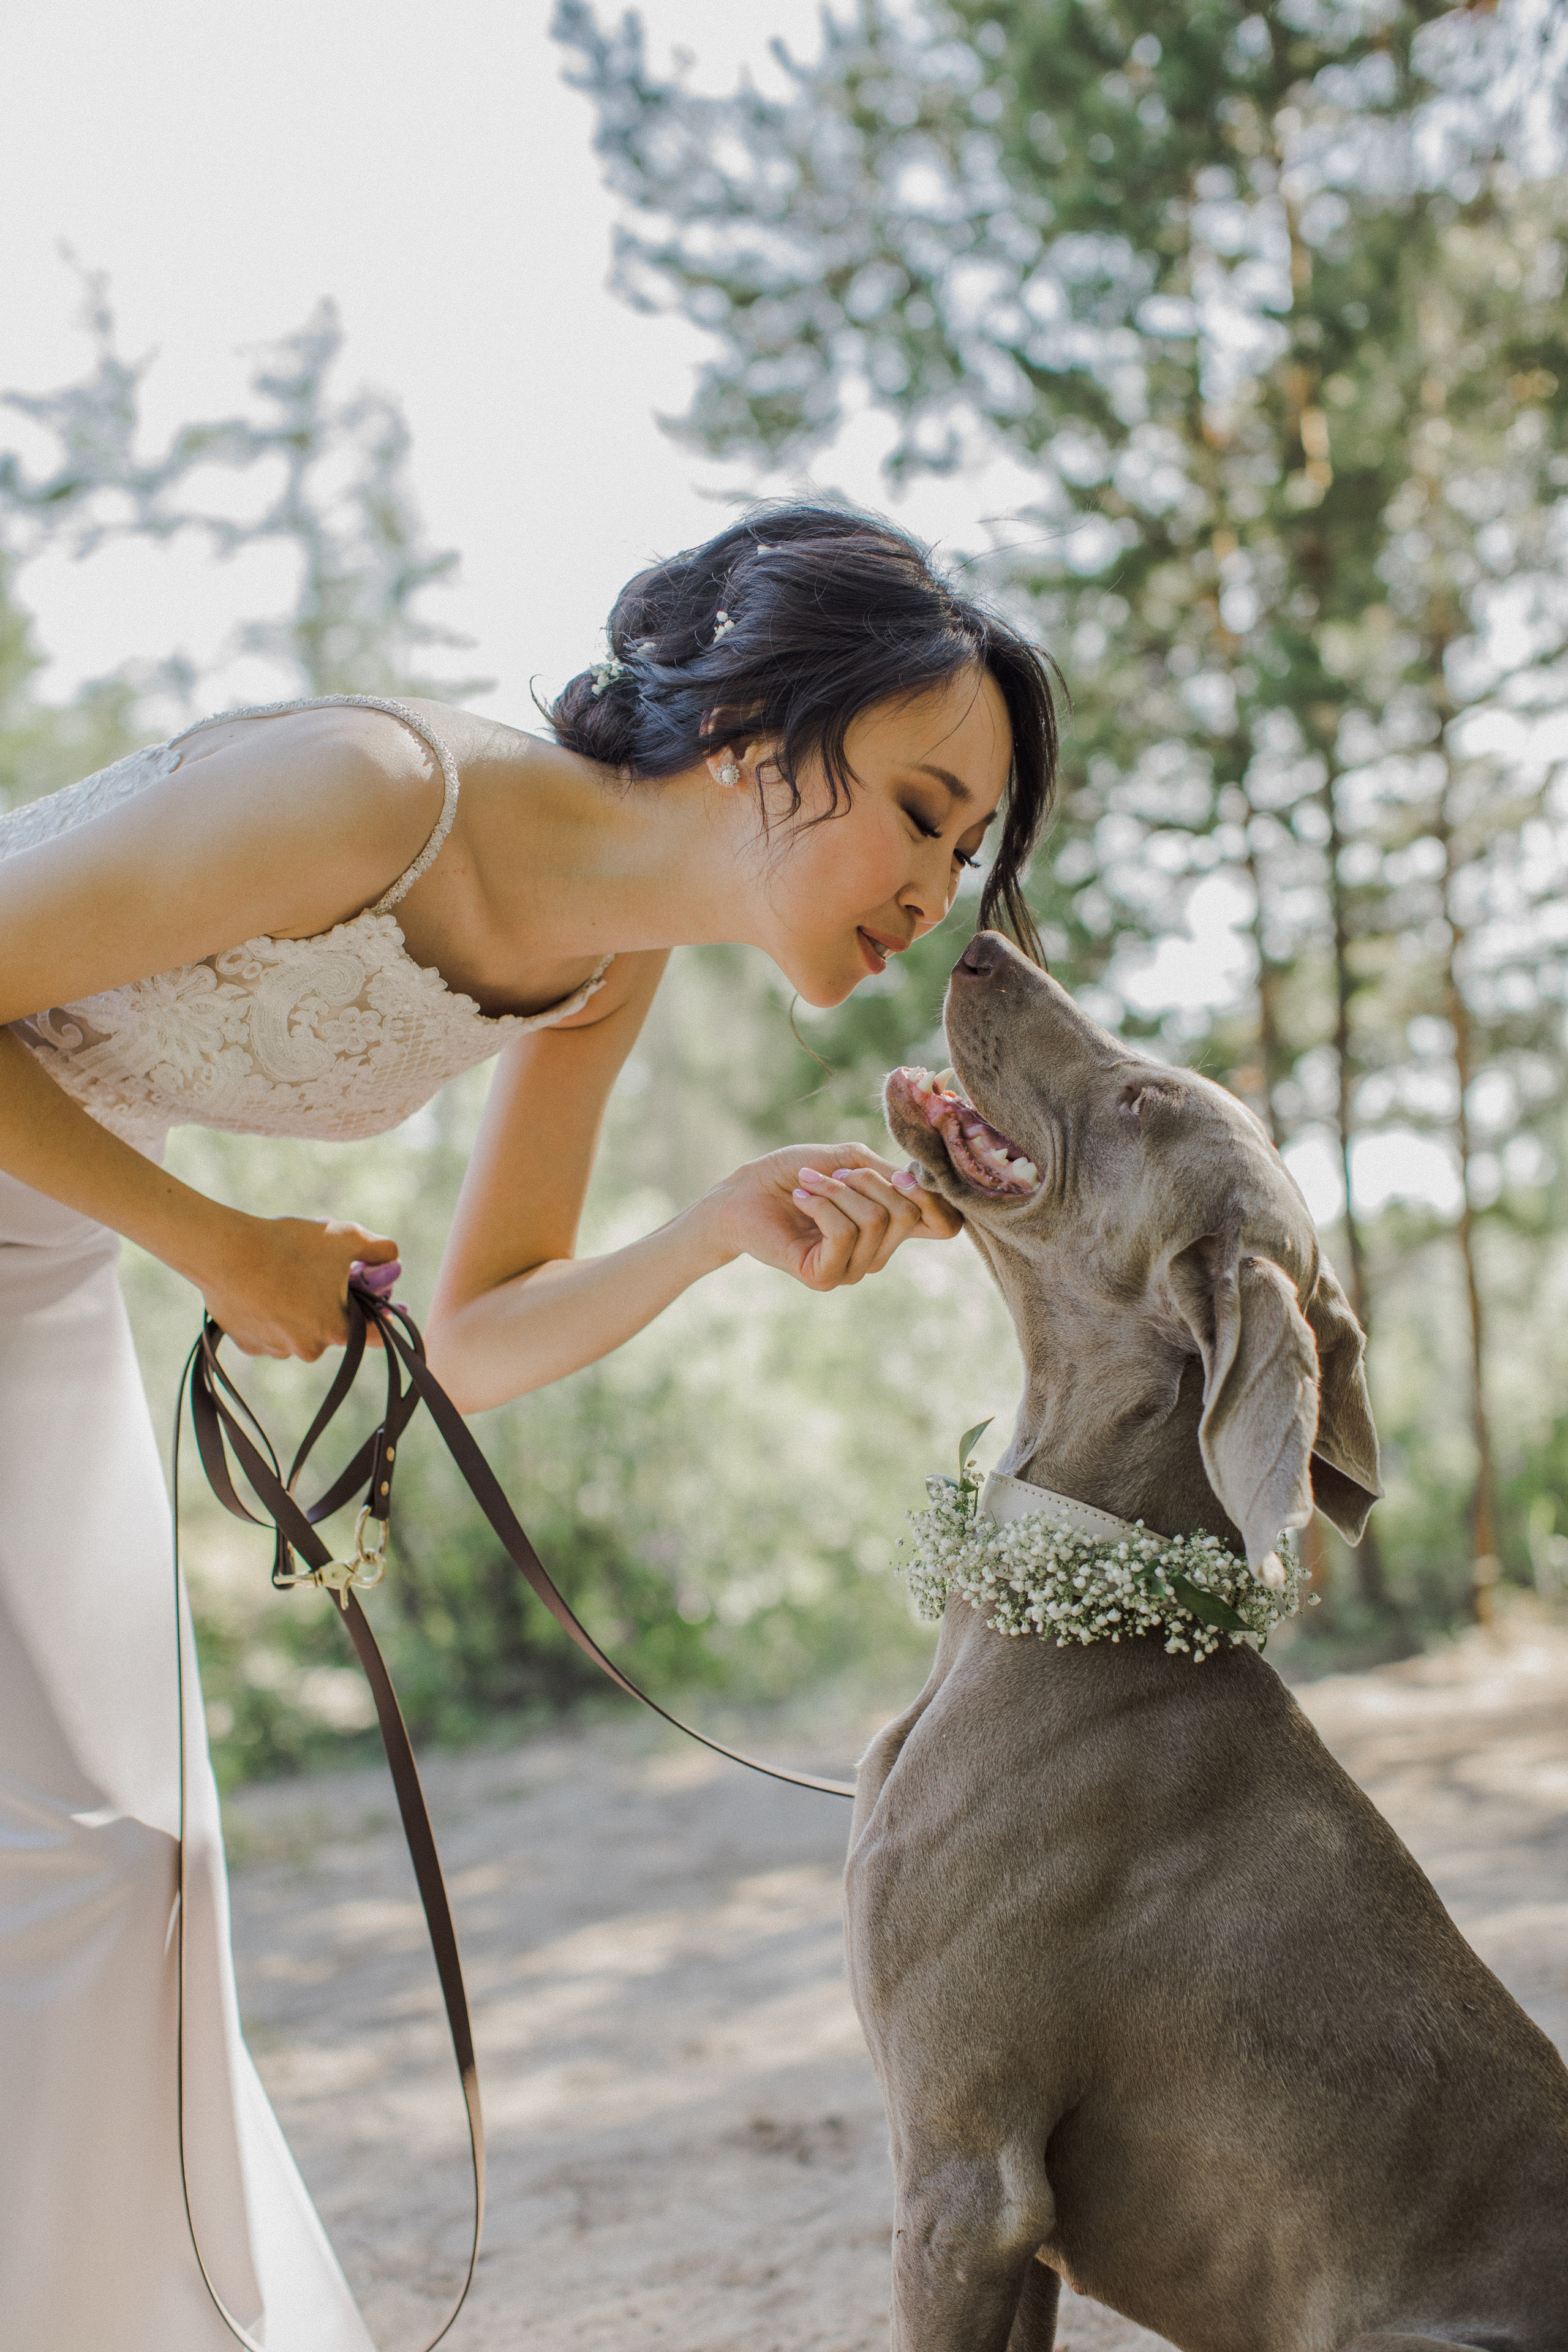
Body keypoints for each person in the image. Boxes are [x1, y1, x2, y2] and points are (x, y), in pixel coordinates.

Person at [0, 503, 1058, 2347]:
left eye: (964, 848)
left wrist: (717, 1226)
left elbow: (469, 1339)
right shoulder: (362, 792)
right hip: (82, 1232)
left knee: (137, 1882)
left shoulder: (606, 952)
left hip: (40, 1274)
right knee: (85, 1873)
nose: (933, 884)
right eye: (915, 803)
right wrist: (219, 1246)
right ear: (752, 737)